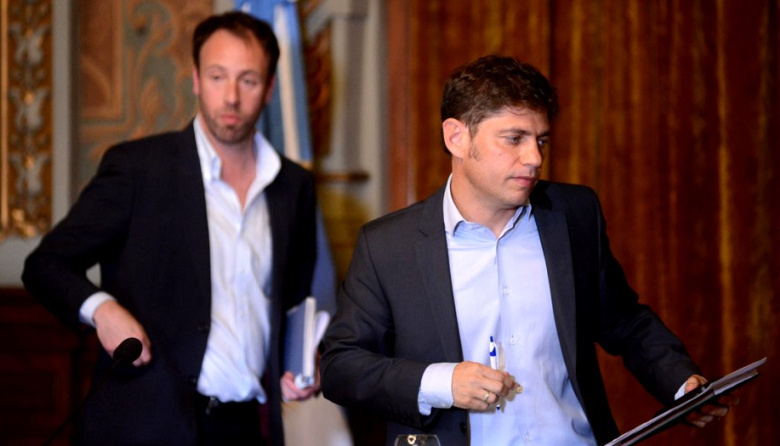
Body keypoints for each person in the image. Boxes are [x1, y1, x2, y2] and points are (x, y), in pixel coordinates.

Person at [320, 55, 736, 445]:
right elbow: (341, 367)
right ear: (456, 137)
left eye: (541, 140)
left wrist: (682, 383)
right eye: (514, 138)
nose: (535, 158)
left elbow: (624, 321)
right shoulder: (388, 246)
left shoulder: (574, 215)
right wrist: (443, 383)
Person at [23, 11, 320, 445]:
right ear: (196, 79)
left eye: (248, 80)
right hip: (145, 428)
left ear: (271, 87)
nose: (231, 97)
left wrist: (302, 364)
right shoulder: (137, 169)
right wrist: (103, 311)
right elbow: (46, 265)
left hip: (246, 428)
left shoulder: (294, 186)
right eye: (217, 77)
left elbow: (294, 301)